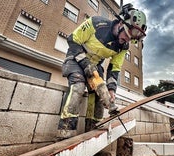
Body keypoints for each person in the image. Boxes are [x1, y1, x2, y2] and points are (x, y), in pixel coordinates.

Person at [57, 4, 147, 139]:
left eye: (131, 39)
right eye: (127, 35)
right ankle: (64, 135)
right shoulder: (96, 23)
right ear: (121, 23)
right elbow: (73, 39)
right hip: (76, 58)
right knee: (78, 87)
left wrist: (111, 90)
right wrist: (86, 64)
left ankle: (92, 137)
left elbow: (114, 68)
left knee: (99, 96)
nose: (127, 40)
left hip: (95, 64)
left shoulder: (123, 46)